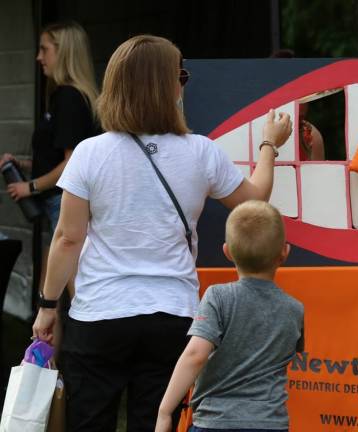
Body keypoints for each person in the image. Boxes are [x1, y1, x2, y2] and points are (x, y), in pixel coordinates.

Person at [31, 34, 293, 431]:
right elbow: (253, 201)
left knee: (88, 421)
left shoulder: (89, 152)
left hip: (100, 312)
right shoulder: (200, 151)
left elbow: (69, 239)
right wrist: (269, 146)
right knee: (155, 419)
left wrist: (48, 305)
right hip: (173, 313)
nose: (183, 83)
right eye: (180, 75)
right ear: (165, 86)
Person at [155, 200, 304, 432]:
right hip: (271, 424)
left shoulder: (218, 297)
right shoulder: (295, 309)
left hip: (215, 423)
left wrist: (165, 412)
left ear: (227, 251)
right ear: (284, 253)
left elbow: (195, 355)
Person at [1, 20, 99, 299]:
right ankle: (45, 344)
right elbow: (58, 157)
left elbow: (72, 164)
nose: (39, 57)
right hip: (56, 204)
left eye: (44, 49)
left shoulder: (70, 97)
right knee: (49, 295)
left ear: (63, 51)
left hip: (63, 205)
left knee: (76, 293)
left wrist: (29, 187)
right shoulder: (64, 97)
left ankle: (82, 342)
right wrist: (23, 166)